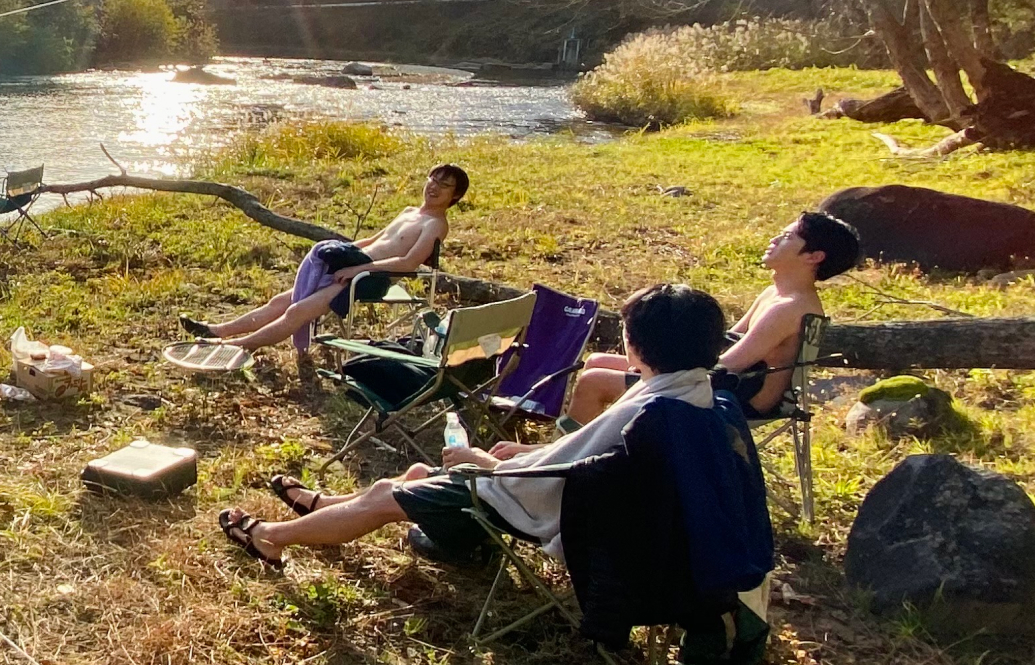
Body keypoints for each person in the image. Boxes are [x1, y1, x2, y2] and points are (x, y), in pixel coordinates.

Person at [216, 283, 727, 570]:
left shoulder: (648, 409)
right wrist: (518, 458)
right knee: (415, 472)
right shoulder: (693, 392)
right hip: (616, 516)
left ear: (638, 344)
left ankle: (272, 536)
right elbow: (583, 460)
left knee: (391, 496)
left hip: (558, 512)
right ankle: (325, 508)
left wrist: (485, 462)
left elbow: (562, 476)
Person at [562, 209, 861, 425]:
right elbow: (723, 341)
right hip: (734, 382)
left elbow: (726, 364)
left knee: (595, 380)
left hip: (741, 397)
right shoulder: (777, 293)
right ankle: (603, 445)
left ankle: (565, 470)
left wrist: (659, 368)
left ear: (814, 256)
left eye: (787, 236)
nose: (774, 239)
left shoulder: (790, 307)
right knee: (596, 361)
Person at [178, 164, 468, 353]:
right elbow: (373, 240)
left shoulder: (436, 225)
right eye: (433, 179)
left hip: (369, 278)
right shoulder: (409, 212)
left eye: (444, 186)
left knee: (296, 312)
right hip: (354, 266)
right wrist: (339, 251)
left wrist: (358, 269)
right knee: (282, 301)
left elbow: (408, 263)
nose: (434, 187)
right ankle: (216, 331)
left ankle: (237, 346)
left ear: (454, 197)